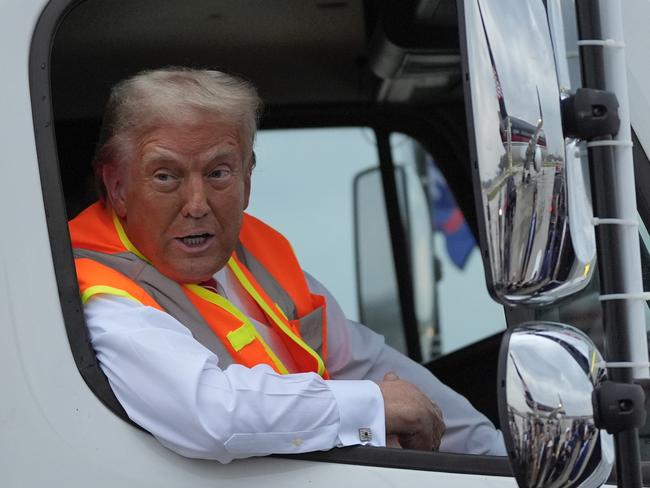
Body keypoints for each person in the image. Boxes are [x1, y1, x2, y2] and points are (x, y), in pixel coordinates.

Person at [69, 67, 505, 464]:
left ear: (248, 178)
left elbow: (368, 364)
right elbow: (211, 416)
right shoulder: (100, 291)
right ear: (118, 187)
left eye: (219, 172)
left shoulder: (257, 257)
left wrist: (499, 460)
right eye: (166, 176)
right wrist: (371, 406)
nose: (197, 205)